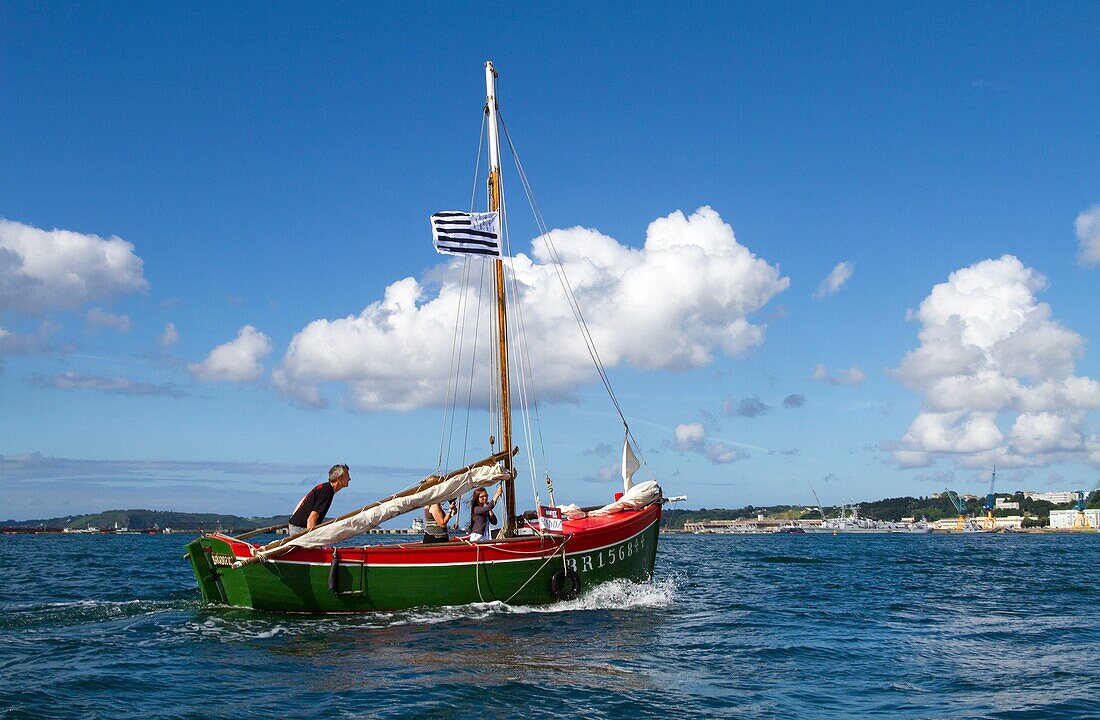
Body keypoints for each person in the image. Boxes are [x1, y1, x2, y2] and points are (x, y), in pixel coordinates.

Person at [288, 464, 351, 535]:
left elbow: (302, 502)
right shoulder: (326, 491)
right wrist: (312, 537)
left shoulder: (324, 488)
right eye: (347, 476)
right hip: (301, 528)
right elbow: (311, 519)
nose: (349, 479)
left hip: (297, 526)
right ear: (339, 478)